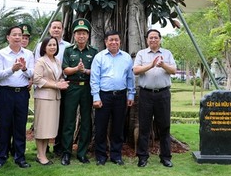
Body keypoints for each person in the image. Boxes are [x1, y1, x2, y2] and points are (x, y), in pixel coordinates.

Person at [90, 30, 135, 166]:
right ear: (106, 42)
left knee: (118, 127)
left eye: (116, 39)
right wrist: (96, 97)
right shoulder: (99, 57)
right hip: (104, 96)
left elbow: (130, 78)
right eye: (111, 40)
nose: (114, 42)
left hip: (120, 96)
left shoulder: (126, 57)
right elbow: (94, 78)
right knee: (101, 127)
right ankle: (101, 156)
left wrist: (131, 94)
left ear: (120, 41)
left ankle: (116, 155)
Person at [133, 29, 176, 168]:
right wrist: (151, 65)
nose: (153, 40)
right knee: (144, 126)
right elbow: (136, 70)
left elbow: (173, 70)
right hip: (146, 94)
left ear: (160, 39)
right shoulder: (141, 53)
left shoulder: (167, 53)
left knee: (164, 126)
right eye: (150, 38)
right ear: (147, 40)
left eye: (155, 38)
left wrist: (163, 64)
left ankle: (165, 157)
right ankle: (142, 157)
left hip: (163, 94)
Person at [0, 26, 34, 170]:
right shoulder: (0, 54)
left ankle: (20, 157)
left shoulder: (28, 54)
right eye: (14, 35)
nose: (18, 37)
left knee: (20, 126)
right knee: (3, 126)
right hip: (5, 93)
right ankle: (0, 158)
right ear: (8, 37)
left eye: (20, 35)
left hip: (22, 93)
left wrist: (24, 68)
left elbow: (31, 74)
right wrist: (12, 69)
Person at [60, 18, 98, 165]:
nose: (81, 36)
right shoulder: (69, 51)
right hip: (72, 87)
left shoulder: (94, 52)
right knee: (68, 121)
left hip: (87, 87)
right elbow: (65, 69)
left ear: (88, 36)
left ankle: (82, 153)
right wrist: (77, 69)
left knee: (86, 121)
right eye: (78, 33)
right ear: (74, 36)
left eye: (84, 33)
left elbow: (96, 71)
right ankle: (66, 153)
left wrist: (86, 71)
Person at [32, 37, 69, 165]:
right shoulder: (40, 61)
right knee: (42, 126)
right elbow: (37, 79)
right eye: (50, 45)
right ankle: (40, 155)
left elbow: (59, 77)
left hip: (55, 97)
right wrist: (55, 85)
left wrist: (62, 82)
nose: (52, 47)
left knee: (49, 127)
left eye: (54, 45)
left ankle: (42, 153)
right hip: (43, 97)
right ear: (44, 47)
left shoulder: (57, 61)